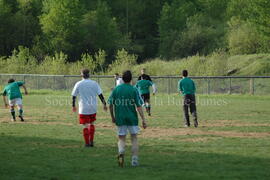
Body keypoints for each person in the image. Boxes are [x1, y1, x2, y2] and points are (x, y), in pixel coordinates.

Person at [108, 70, 147, 167]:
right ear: (130, 79)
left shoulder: (116, 89)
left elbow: (110, 105)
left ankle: (121, 152)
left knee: (121, 138)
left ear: (122, 78)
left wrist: (113, 117)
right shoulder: (134, 89)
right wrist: (143, 119)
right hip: (132, 118)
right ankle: (134, 160)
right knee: (134, 138)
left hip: (120, 117)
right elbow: (138, 106)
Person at [72, 69, 107, 147]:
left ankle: (87, 143)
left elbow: (74, 96)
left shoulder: (78, 84)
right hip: (93, 107)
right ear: (89, 75)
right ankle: (91, 141)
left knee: (85, 125)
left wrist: (73, 105)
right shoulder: (94, 83)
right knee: (91, 124)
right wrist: (104, 104)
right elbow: (100, 95)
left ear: (82, 75)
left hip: (83, 108)